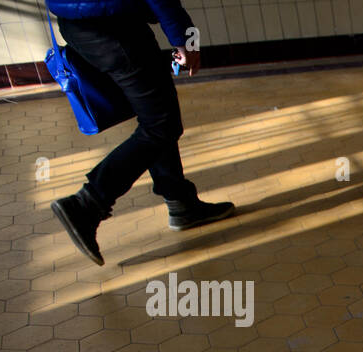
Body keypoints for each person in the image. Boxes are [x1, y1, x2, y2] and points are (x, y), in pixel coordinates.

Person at [48, 0, 234, 266]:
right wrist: (187, 41)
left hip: (77, 22)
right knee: (161, 125)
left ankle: (181, 202)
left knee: (156, 115)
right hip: (114, 29)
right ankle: (87, 204)